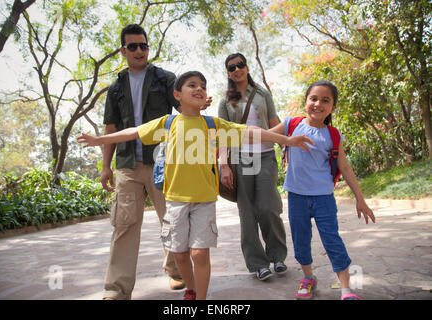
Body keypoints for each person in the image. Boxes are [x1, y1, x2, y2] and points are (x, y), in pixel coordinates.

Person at [78, 71, 314, 300]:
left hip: (204, 201)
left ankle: (199, 298)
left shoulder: (213, 125)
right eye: (192, 85)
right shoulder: (168, 123)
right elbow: (134, 132)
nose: (199, 88)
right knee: (180, 256)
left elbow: (252, 132)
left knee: (200, 254)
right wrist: (100, 140)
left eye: (202, 85)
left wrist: (287, 140)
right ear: (177, 95)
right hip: (174, 201)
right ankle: (190, 288)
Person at [99, 24, 189, 300]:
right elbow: (110, 129)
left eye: (143, 45)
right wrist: (105, 166)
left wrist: (198, 101)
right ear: (123, 50)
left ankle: (176, 271)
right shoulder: (114, 89)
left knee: (171, 221)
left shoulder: (166, 79)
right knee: (124, 226)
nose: (140, 50)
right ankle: (116, 290)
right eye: (133, 46)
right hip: (127, 165)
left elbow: (185, 110)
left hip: (163, 163)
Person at [270, 80, 376, 300]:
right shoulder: (291, 124)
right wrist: (286, 140)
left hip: (324, 198)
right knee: (301, 240)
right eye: (313, 98)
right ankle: (308, 278)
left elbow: (344, 167)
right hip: (297, 196)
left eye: (325, 100)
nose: (318, 104)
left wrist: (360, 199)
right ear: (306, 101)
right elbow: (262, 135)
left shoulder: (333, 135)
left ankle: (346, 289)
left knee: (332, 240)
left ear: (333, 108)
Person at [218, 53, 289, 281]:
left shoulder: (262, 94)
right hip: (241, 158)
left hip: (266, 154)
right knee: (247, 213)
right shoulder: (225, 101)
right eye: (231, 68)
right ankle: (257, 263)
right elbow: (222, 135)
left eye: (240, 65)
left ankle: (277, 256)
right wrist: (224, 165)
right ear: (228, 73)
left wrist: (287, 146)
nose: (237, 70)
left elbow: (274, 123)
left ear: (247, 67)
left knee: (269, 208)